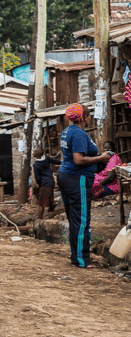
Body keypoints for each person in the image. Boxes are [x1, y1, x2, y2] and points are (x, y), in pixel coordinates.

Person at [56, 103, 111, 268]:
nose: (89, 119)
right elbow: (78, 159)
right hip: (76, 178)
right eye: (88, 116)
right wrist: (101, 158)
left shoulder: (67, 132)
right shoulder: (79, 134)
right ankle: (81, 260)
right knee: (81, 220)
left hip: (66, 176)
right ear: (83, 117)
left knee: (75, 219)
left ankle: (77, 255)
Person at [32, 146, 59, 219]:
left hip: (44, 184)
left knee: (42, 204)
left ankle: (40, 219)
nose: (33, 152)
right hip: (51, 182)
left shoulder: (36, 164)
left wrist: (40, 185)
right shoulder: (46, 158)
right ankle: (48, 215)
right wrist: (62, 162)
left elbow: (37, 178)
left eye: (34, 151)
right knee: (49, 199)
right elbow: (55, 161)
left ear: (37, 154)